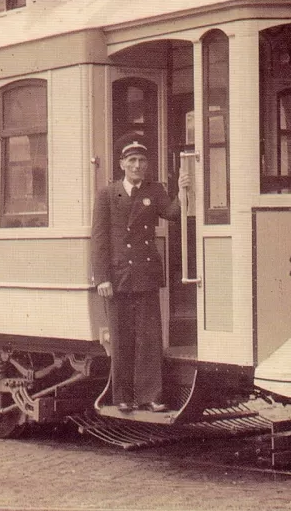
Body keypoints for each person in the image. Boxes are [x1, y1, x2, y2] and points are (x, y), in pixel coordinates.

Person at [91, 139, 189, 413]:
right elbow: (99, 238)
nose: (137, 166)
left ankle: (150, 396)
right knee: (122, 339)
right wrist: (102, 278)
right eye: (132, 161)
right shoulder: (107, 195)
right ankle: (122, 396)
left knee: (148, 338)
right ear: (122, 164)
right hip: (118, 277)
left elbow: (172, 214)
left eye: (142, 161)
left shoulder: (154, 191)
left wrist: (182, 192)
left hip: (145, 275)